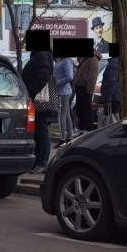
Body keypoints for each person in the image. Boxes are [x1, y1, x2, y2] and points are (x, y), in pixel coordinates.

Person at [21, 33, 54, 171]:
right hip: (36, 98)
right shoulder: (40, 55)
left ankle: (42, 162)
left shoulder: (41, 55)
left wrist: (32, 94)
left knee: (41, 130)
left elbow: (42, 78)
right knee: (37, 131)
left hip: (39, 100)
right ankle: (38, 161)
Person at [53, 52, 76, 145]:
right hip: (63, 91)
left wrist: (57, 83)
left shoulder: (66, 61)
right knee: (66, 115)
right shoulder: (62, 60)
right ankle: (69, 137)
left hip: (63, 92)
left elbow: (69, 77)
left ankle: (62, 139)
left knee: (61, 115)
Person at [74, 51, 99, 132]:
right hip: (79, 86)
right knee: (79, 109)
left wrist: (90, 90)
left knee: (87, 109)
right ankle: (81, 127)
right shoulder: (83, 58)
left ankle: (88, 128)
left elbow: (92, 76)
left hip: (85, 88)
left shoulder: (93, 58)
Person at [99, 49, 123, 126]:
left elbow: (112, 83)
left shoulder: (113, 63)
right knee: (114, 116)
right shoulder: (117, 62)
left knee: (113, 117)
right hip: (116, 96)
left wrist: (108, 98)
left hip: (113, 97)